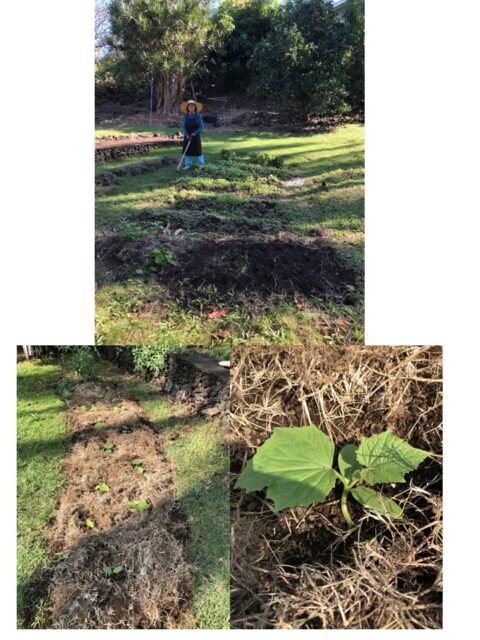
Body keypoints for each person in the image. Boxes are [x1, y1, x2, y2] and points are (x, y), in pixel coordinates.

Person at [180, 99, 205, 169]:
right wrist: (187, 135)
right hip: (188, 135)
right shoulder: (186, 116)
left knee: (198, 149)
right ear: (187, 108)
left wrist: (194, 134)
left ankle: (201, 164)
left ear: (195, 107)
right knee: (187, 150)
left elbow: (201, 126)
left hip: (195, 135)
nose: (191, 107)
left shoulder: (198, 115)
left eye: (192, 106)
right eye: (189, 106)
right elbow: (184, 126)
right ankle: (188, 164)